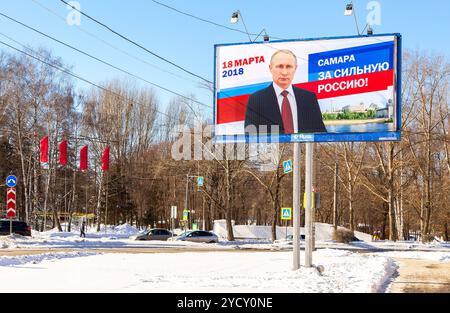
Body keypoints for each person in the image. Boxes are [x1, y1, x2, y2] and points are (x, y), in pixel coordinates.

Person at [245, 49, 327, 134]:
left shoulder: (309, 98)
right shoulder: (256, 99)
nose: (284, 72)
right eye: (280, 66)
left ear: (295, 68)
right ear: (270, 68)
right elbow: (250, 137)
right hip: (272, 147)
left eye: (289, 66)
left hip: (303, 147)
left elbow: (320, 134)